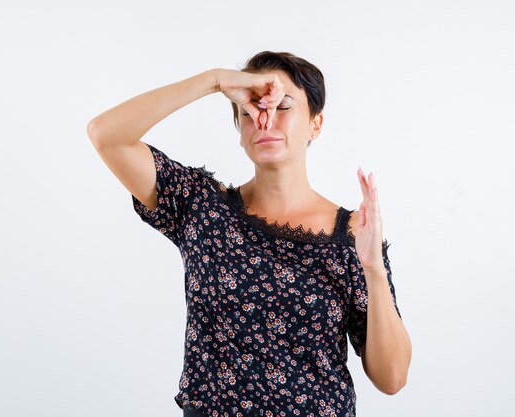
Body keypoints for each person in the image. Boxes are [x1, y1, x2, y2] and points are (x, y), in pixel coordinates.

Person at [87, 51, 412, 417]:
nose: (264, 119)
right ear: (240, 130)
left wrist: (373, 269)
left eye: (283, 106)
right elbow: (106, 135)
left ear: (316, 124)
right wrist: (215, 81)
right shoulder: (201, 207)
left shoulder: (354, 234)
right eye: (250, 109)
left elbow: (392, 378)